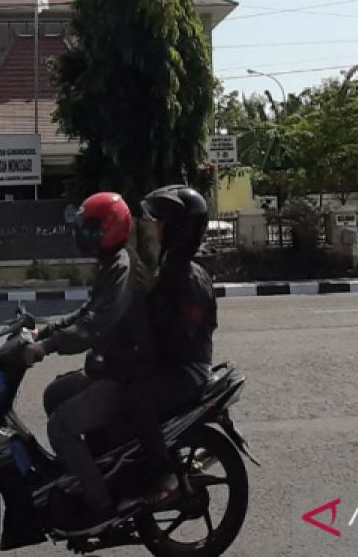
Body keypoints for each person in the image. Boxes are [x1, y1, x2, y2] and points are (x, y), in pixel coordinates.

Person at [23, 191, 152, 534]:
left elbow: (96, 324)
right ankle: (94, 468)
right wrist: (44, 332)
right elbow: (87, 312)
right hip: (108, 367)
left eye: (91, 229)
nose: (84, 235)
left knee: (60, 427)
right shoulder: (112, 264)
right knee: (55, 395)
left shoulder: (122, 268)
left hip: (123, 377)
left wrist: (48, 346)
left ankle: (101, 506)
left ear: (111, 229)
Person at [121, 185, 218, 509]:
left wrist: (151, 294)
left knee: (137, 398)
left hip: (187, 369)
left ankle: (164, 471)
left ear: (178, 229)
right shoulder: (171, 268)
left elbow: (177, 340)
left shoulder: (188, 278)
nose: (154, 228)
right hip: (174, 362)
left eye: (160, 222)